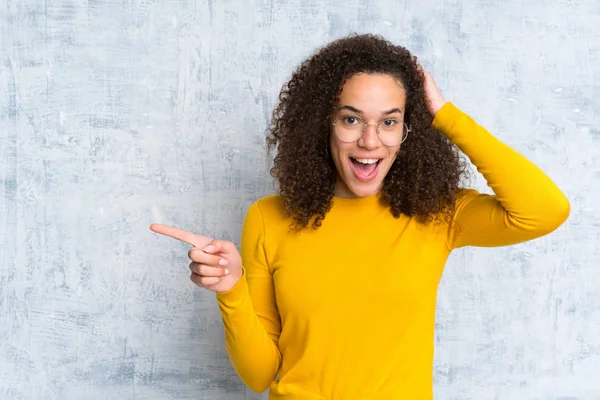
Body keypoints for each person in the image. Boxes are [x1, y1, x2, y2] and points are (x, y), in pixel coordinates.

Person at [150, 34, 570, 399]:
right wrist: (232, 288)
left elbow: (544, 210)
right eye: (351, 119)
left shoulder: (437, 213)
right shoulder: (268, 218)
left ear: (409, 130)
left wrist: (444, 114)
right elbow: (259, 375)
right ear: (323, 123)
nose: (370, 141)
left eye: (390, 122)